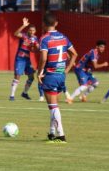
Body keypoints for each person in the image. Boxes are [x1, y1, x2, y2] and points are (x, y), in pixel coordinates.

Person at [38, 14, 78, 143]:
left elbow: (43, 58)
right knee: (53, 105)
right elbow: (74, 54)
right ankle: (52, 133)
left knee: (53, 106)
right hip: (61, 75)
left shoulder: (44, 39)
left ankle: (61, 136)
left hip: (50, 75)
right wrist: (66, 70)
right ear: (56, 23)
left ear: (44, 24)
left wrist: (39, 72)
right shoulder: (63, 37)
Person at [8, 17, 44, 101]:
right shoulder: (24, 35)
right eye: (30, 30)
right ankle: (12, 96)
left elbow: (36, 50)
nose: (31, 32)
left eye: (33, 30)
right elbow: (16, 33)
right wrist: (23, 25)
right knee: (17, 76)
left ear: (35, 31)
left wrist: (35, 48)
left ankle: (24, 93)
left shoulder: (35, 38)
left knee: (31, 77)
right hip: (20, 59)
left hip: (27, 60)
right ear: (28, 30)